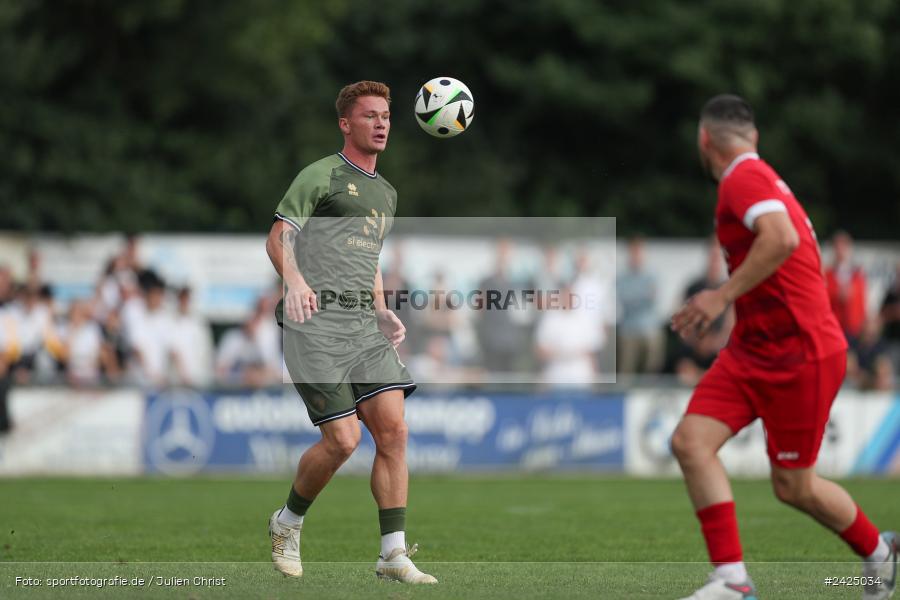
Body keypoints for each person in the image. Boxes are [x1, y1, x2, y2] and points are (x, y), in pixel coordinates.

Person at [670, 94, 896, 600]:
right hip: (754, 350)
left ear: (704, 141)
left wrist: (720, 296)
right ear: (754, 138)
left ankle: (878, 554)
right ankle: (733, 581)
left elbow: (783, 239)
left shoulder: (743, 179)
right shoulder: (759, 178)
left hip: (801, 355)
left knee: (795, 487)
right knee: (691, 443)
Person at [264, 81, 436, 584]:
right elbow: (279, 239)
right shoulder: (322, 175)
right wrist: (294, 280)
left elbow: (370, 257)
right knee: (342, 440)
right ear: (346, 123)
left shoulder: (386, 192)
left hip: (364, 326)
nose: (381, 123)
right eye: (369, 116)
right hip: (315, 325)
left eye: (386, 116)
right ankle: (287, 521)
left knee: (394, 432)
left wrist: (382, 309)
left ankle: (392, 555)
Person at [616, 236, 663, 374]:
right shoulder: (622, 277)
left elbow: (653, 299)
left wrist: (636, 297)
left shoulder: (652, 275)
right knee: (626, 371)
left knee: (653, 368)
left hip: (649, 328)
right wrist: (643, 296)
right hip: (629, 329)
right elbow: (624, 300)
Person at [825, 230, 868, 346]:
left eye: (844, 246)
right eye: (837, 246)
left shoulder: (857, 274)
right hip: (834, 327)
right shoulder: (827, 274)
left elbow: (862, 303)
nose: (840, 250)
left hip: (854, 329)